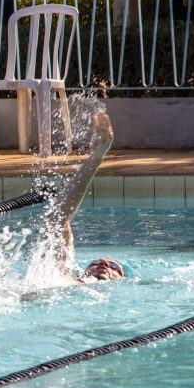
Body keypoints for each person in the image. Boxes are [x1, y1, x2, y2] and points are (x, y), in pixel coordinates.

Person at [45, 111, 125, 284]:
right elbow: (58, 218)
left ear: (122, 279)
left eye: (113, 266)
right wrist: (96, 157)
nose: (104, 263)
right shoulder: (65, 280)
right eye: (95, 263)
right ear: (84, 271)